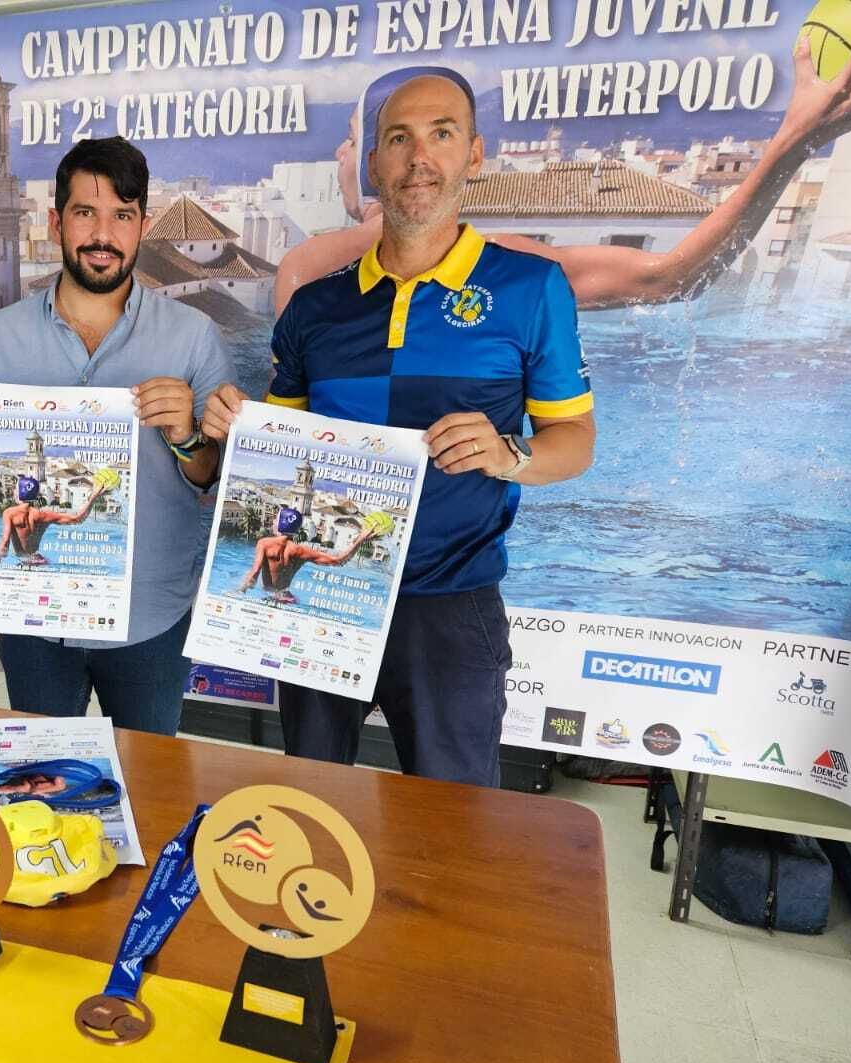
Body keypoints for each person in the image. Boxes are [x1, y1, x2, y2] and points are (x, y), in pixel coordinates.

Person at [203, 70, 596, 786]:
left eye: (441, 134)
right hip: (321, 592)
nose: (420, 157)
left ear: (473, 154)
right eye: (398, 139)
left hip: (451, 600)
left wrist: (511, 455)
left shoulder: (530, 288)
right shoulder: (314, 309)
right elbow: (279, 452)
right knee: (313, 802)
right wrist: (237, 426)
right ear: (374, 164)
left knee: (455, 828)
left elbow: (576, 441)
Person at [0, 137, 243, 735]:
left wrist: (189, 435)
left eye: (122, 215)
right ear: (55, 221)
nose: (103, 233)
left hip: (149, 616)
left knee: (150, 786)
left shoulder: (193, 337)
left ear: (142, 224)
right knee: (41, 777)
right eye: (85, 212)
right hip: (33, 618)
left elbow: (211, 474)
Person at [275, 33, 851, 314]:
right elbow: (672, 277)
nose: (337, 157)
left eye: (350, 141)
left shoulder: (306, 269)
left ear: (368, 163)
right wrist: (793, 146)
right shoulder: (512, 268)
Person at [237, 507, 386, 605]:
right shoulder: (301, 550)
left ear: (281, 524)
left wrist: (240, 590)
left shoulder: (264, 543)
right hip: (287, 598)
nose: (274, 521)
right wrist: (359, 540)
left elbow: (254, 573)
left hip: (269, 597)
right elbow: (338, 561)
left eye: (276, 519)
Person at [0, 475, 109, 566]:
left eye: (15, 489)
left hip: (23, 562)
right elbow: (78, 519)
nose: (13, 491)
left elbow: (5, 543)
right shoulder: (43, 515)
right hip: (38, 560)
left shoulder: (9, 513)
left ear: (20, 493)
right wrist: (94, 496)